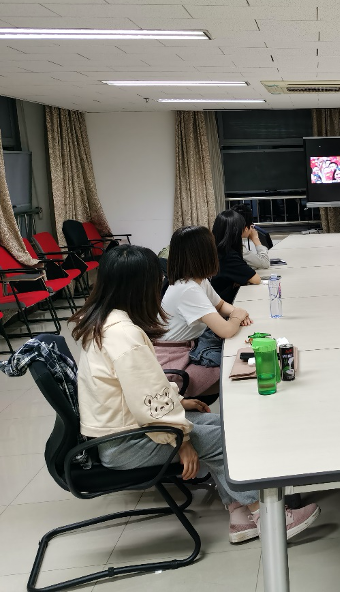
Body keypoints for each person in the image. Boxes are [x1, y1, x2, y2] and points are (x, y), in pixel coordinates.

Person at [71, 245, 321, 545]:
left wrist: (179, 403)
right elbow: (147, 402)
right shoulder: (125, 335)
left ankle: (240, 515)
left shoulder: (103, 322)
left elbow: (136, 391)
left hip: (121, 432)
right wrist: (182, 440)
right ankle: (269, 519)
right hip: (125, 443)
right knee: (225, 441)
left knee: (223, 426)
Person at [155, 226, 253, 401]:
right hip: (177, 361)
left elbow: (220, 305)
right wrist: (237, 316)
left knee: (241, 360)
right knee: (239, 368)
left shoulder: (197, 281)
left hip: (192, 347)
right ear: (205, 254)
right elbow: (226, 330)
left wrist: (237, 313)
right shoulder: (187, 289)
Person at [211, 210, 262, 304]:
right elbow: (256, 279)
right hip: (224, 304)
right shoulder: (228, 256)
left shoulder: (215, 249)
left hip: (218, 301)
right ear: (236, 232)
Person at [232, 203, 270, 270]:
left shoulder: (228, 240)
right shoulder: (237, 247)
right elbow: (265, 263)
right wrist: (256, 239)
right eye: (251, 224)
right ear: (246, 228)